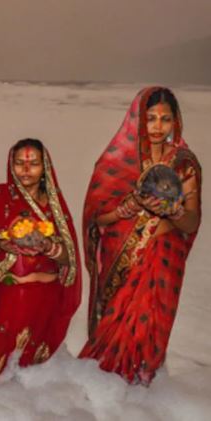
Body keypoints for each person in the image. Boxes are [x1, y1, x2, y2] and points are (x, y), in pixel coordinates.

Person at [79, 87, 201, 385]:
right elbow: (98, 218)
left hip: (163, 262)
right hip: (121, 260)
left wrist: (172, 213)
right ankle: (102, 396)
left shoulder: (184, 164)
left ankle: (142, 396)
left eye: (165, 119)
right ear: (137, 121)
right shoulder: (115, 163)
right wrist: (126, 208)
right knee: (113, 330)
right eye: (150, 119)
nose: (158, 127)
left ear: (176, 122)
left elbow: (192, 220)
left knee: (151, 332)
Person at [0, 139, 81, 377]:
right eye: (19, 163)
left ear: (45, 168)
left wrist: (47, 246)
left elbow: (69, 258)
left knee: (29, 368)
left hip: (42, 296)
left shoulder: (54, 207)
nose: (26, 170)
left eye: (34, 164)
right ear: (11, 165)